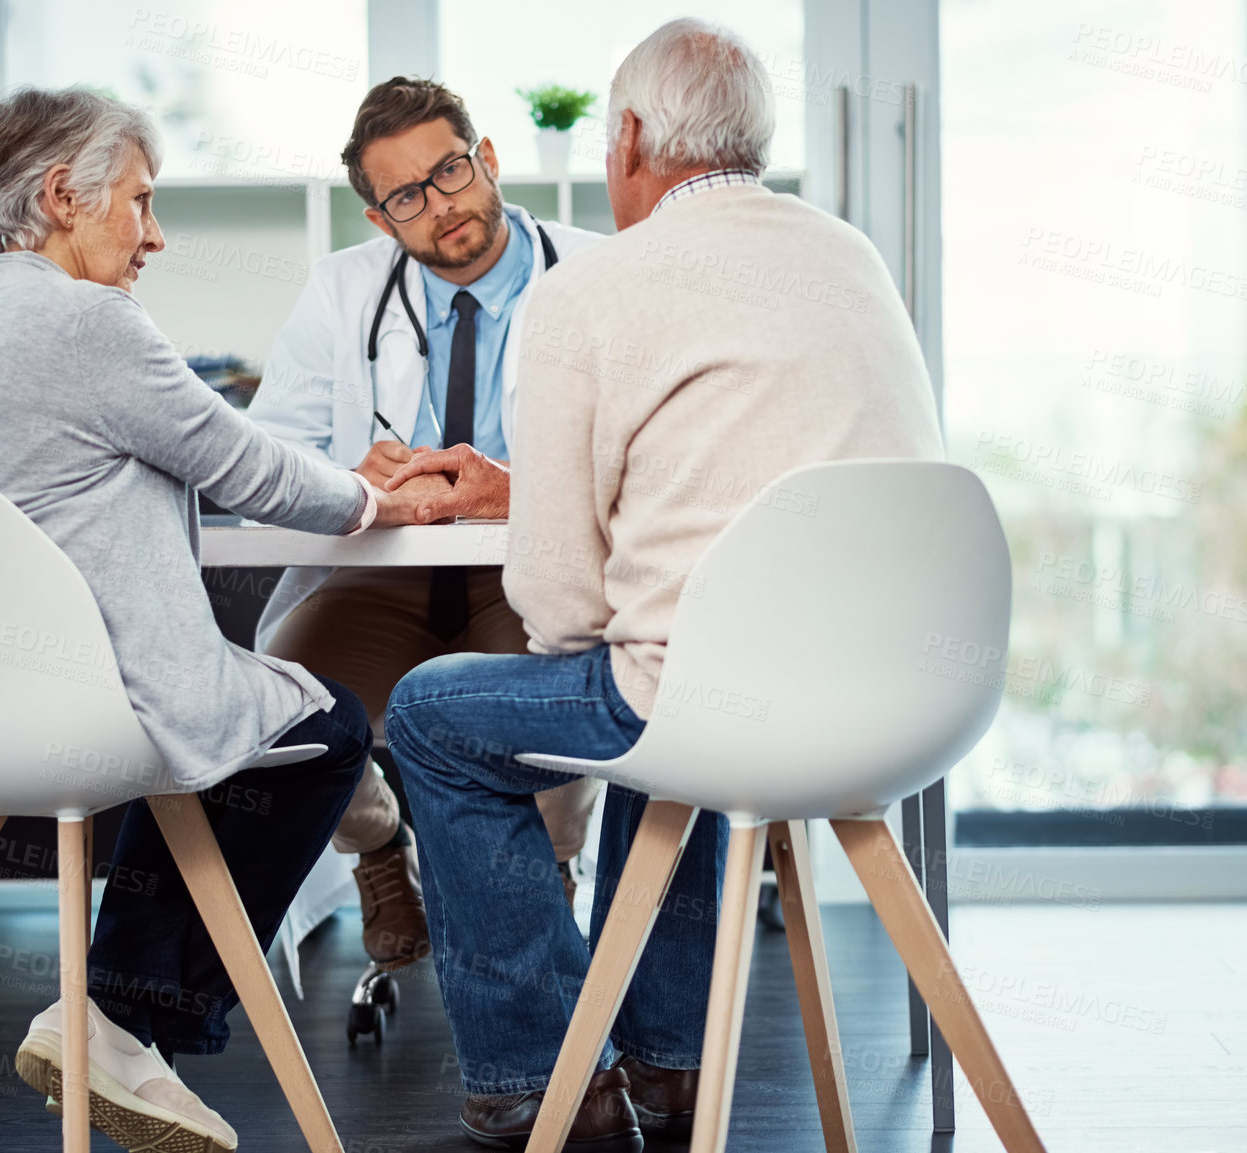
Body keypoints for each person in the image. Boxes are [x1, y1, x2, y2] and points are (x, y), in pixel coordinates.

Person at [383, 18, 945, 1150]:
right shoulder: (849, 253)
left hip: (709, 703)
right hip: (902, 698)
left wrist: (553, 509)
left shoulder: (593, 289)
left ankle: (545, 1078)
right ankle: (673, 1061)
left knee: (440, 711)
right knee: (674, 683)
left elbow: (555, 608)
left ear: (632, 136)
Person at [0, 86, 443, 1153]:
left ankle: (118, 1018)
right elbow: (239, 464)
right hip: (86, 702)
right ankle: (121, 1020)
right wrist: (379, 497)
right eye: (139, 202)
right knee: (316, 729)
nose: (156, 233)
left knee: (214, 733)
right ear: (59, 195)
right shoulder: (86, 319)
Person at [245, 77, 605, 973]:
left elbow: (642, 460)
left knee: (560, 694)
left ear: (486, 159)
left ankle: (551, 875)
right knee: (274, 709)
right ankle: (375, 846)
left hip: (526, 567)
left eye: (448, 172)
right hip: (379, 571)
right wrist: (338, 476)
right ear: (379, 219)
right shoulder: (340, 292)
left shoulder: (597, 278)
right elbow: (267, 457)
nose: (439, 206)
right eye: (406, 195)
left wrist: (510, 487)